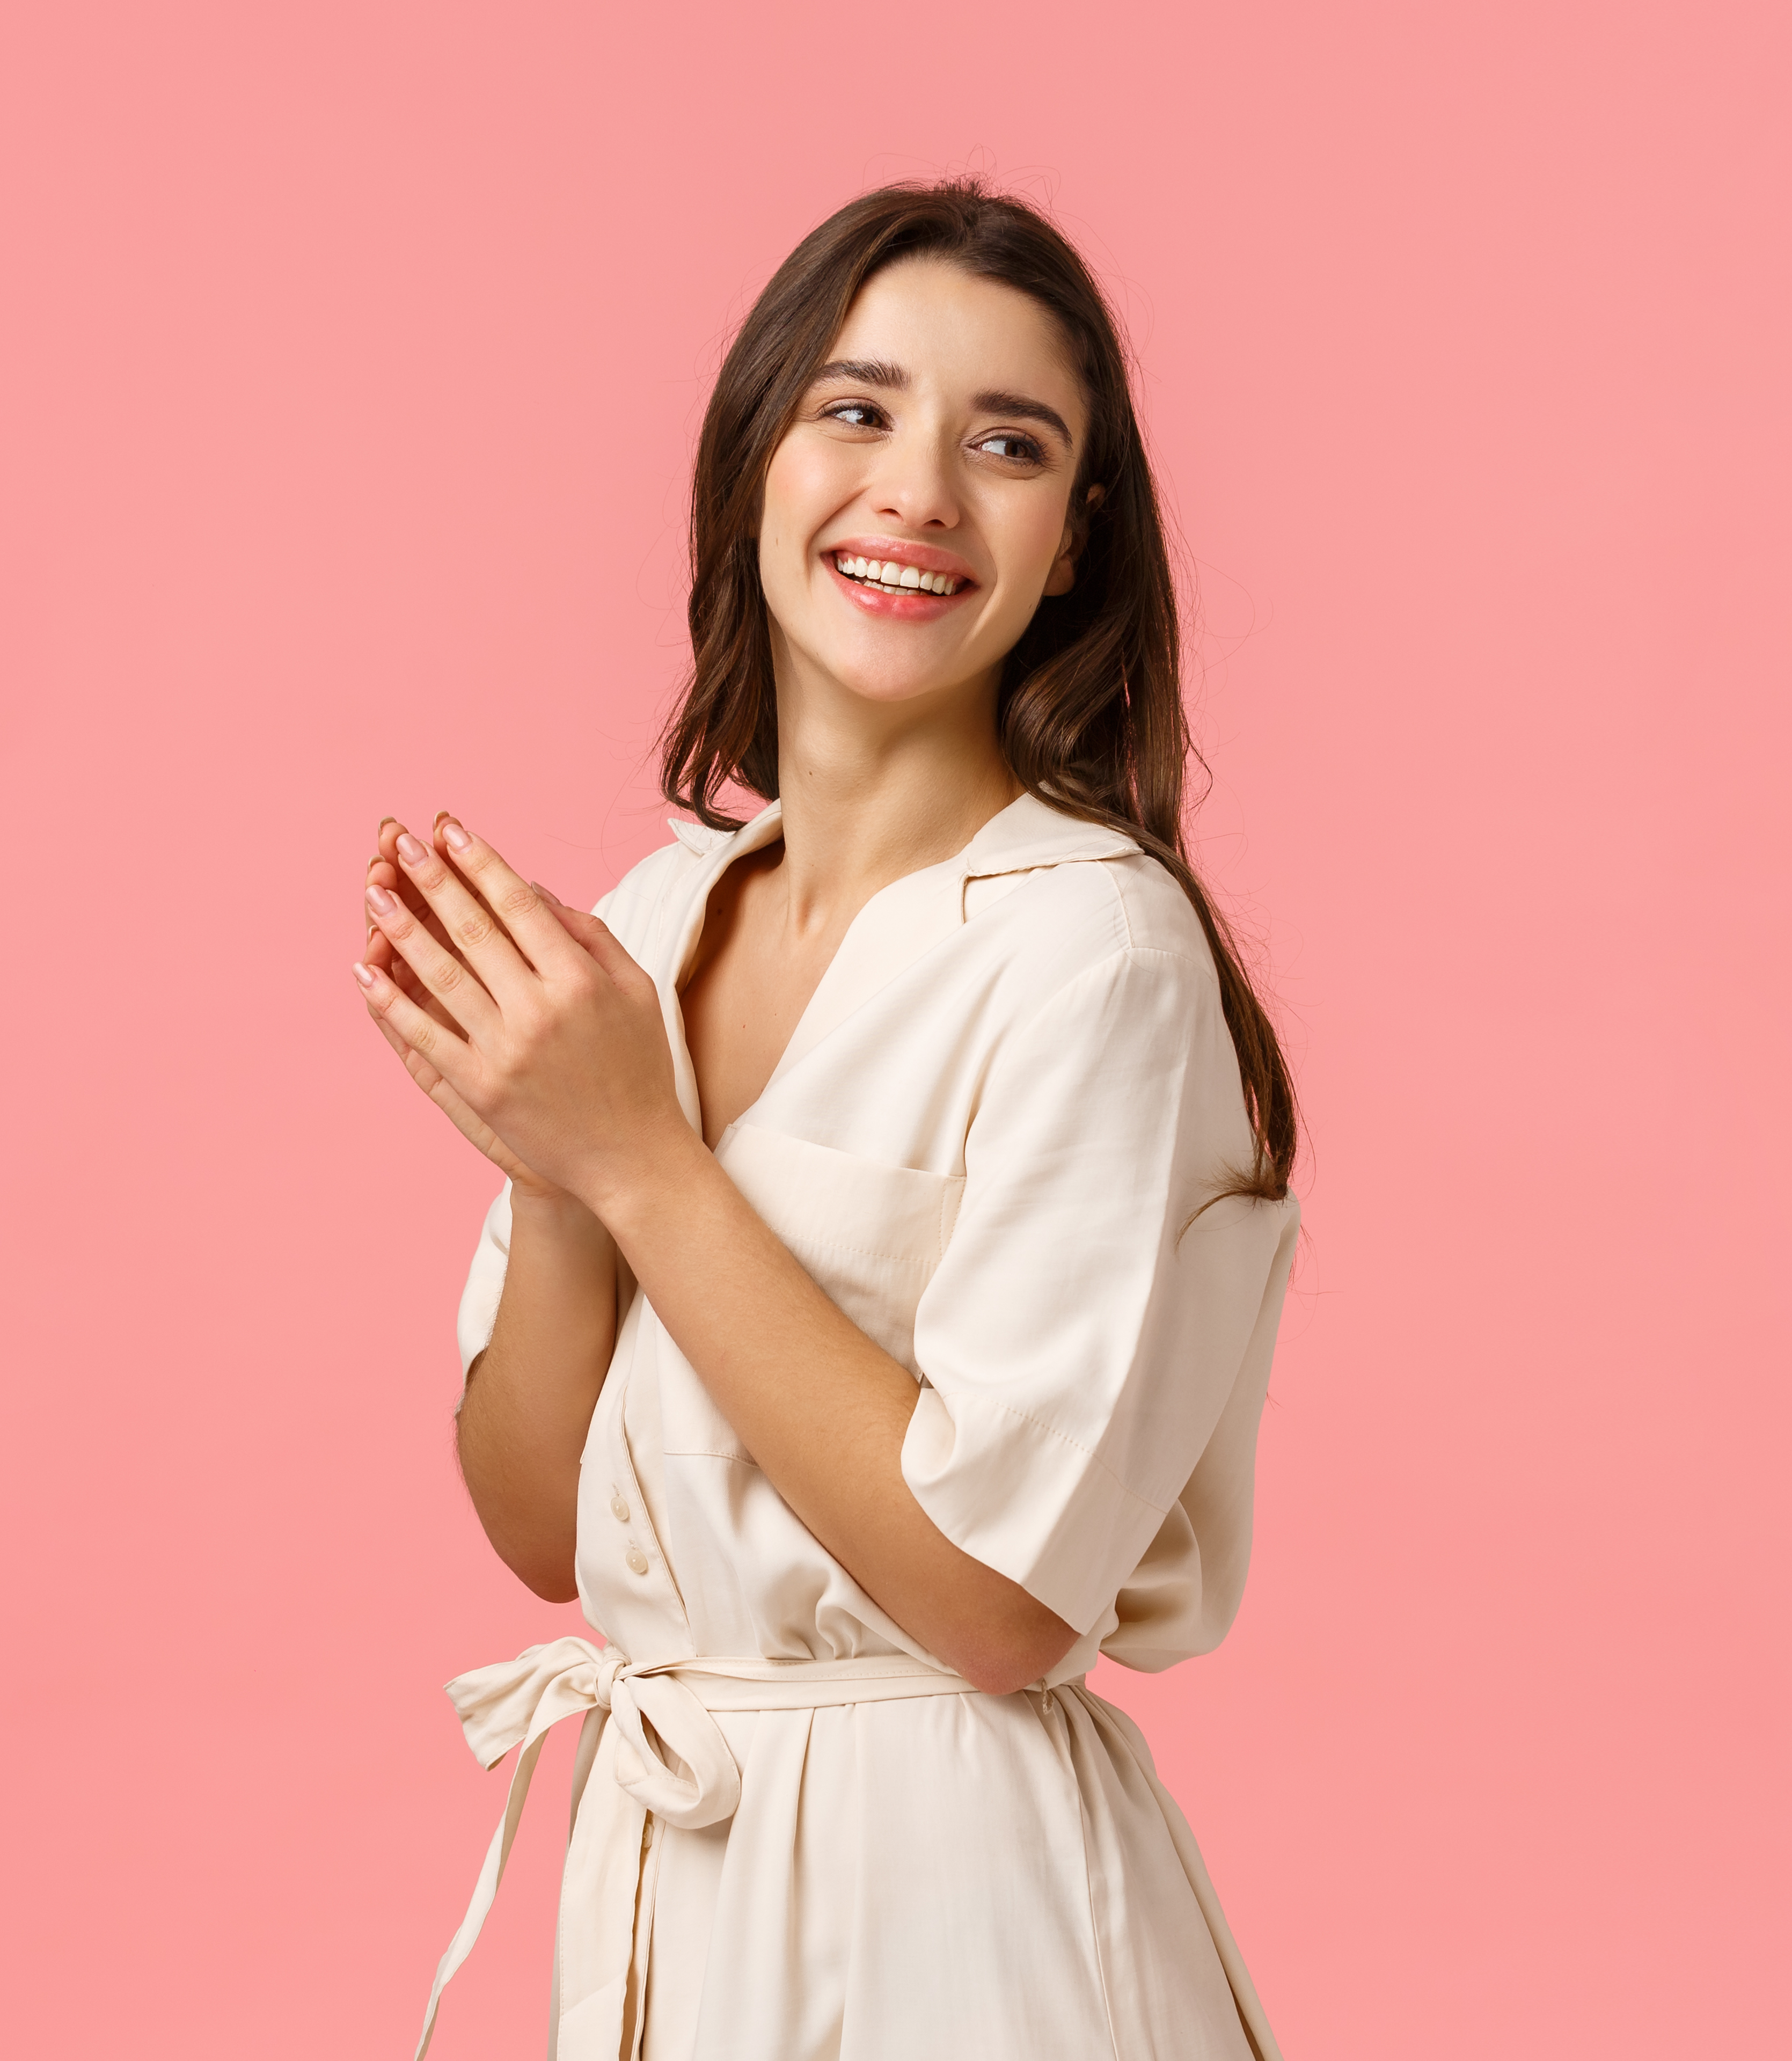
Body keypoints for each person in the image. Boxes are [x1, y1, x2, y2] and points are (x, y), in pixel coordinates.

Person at [353, 178, 1300, 2061]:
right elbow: (541, 1528)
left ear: (1075, 538)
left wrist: (639, 1158)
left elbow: (1001, 1603)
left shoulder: (1092, 952)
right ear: (753, 463)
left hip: (961, 1920)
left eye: (1008, 444)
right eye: (856, 410)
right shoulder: (645, 927)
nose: (919, 491)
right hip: (670, 1892)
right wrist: (562, 1159)